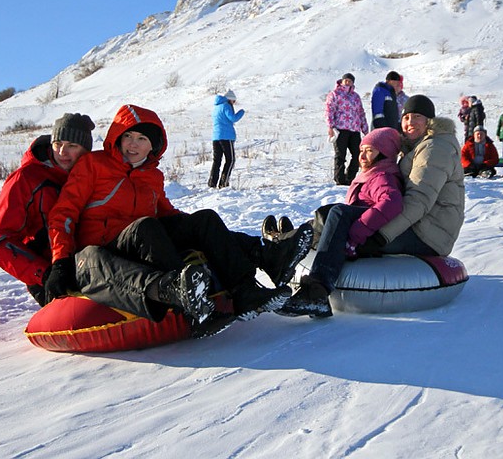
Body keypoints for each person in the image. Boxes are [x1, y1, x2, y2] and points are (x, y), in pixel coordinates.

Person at [45, 104, 311, 325]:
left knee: (204, 219)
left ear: (153, 145)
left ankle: (249, 284)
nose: (133, 145)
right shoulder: (94, 165)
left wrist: (204, 230)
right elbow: (63, 213)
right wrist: (60, 261)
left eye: (142, 139)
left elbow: (168, 213)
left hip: (140, 243)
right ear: (117, 137)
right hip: (106, 248)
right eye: (128, 136)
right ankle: (186, 299)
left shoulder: (153, 176)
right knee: (147, 227)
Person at [278, 128, 404, 318]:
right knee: (326, 216)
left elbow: (392, 202)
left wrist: (357, 232)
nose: (363, 154)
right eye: (362, 149)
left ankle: (317, 292)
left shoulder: (383, 176)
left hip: (364, 238)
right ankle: (288, 237)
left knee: (337, 213)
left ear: (385, 153)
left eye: (370, 150)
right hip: (356, 232)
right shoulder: (372, 174)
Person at [0, 112, 95, 306]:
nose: (62, 152)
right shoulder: (25, 179)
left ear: (85, 150)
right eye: (58, 144)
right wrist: (44, 274)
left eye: (72, 146)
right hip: (48, 271)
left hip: (91, 260)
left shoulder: (92, 175)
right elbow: (0, 241)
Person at [375, 95, 465, 257]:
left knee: (354, 236)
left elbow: (419, 200)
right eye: (406, 117)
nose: (410, 122)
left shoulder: (435, 148)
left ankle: (321, 280)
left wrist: (381, 235)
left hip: (429, 235)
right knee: (340, 216)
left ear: (429, 121)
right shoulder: (415, 148)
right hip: (417, 225)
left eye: (417, 117)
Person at [325, 73, 368, 185]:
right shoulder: (335, 94)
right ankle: (339, 179)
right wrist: (330, 126)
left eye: (350, 81)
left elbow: (361, 112)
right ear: (342, 81)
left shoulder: (356, 97)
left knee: (357, 154)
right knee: (340, 155)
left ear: (353, 83)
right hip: (340, 128)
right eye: (346, 80)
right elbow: (329, 110)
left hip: (354, 129)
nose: (348, 82)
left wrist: (365, 129)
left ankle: (350, 178)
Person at [208, 89, 245, 188]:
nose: (234, 103)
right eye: (233, 101)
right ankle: (223, 183)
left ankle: (212, 183)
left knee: (217, 161)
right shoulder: (226, 106)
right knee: (230, 160)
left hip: (216, 137)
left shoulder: (216, 107)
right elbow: (233, 118)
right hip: (226, 137)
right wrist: (241, 112)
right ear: (230, 99)